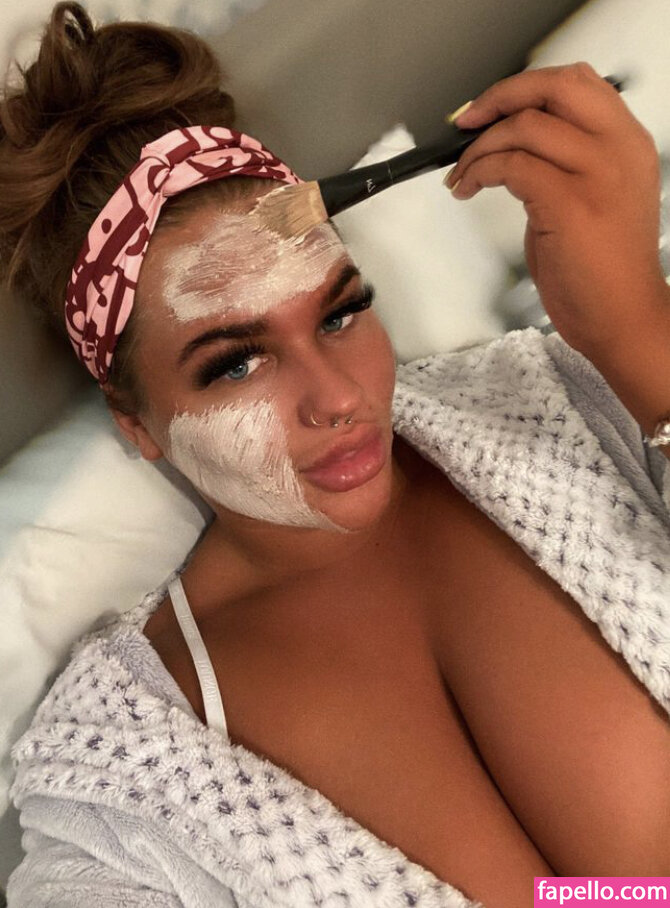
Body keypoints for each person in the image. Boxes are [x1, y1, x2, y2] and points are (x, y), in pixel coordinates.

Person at [2, 3, 669, 907]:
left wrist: (637, 331)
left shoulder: (575, 404)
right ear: (137, 422)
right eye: (234, 364)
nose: (339, 397)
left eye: (341, 311)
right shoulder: (120, 790)